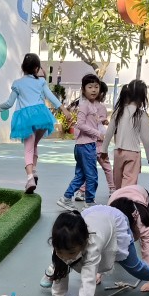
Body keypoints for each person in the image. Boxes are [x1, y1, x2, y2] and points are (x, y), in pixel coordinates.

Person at [45, 207, 149, 296]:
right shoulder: (61, 242)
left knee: (133, 265)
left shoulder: (92, 245)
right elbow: (61, 268)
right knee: (60, 264)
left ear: (84, 243)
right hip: (94, 217)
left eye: (71, 253)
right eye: (60, 252)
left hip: (115, 222)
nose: (66, 257)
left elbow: (88, 282)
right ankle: (53, 270)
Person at [0, 52, 72, 194]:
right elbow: (51, 97)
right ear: (36, 68)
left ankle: (30, 178)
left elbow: (9, 103)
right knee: (34, 145)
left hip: (25, 119)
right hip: (41, 116)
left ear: (23, 67)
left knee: (28, 148)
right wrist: (64, 110)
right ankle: (35, 170)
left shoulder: (17, 83)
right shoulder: (41, 82)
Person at [58, 74, 106, 210]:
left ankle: (66, 198)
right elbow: (80, 124)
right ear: (83, 89)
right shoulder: (85, 105)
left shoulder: (92, 106)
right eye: (90, 87)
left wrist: (101, 123)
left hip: (83, 145)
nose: (94, 90)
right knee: (92, 176)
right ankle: (89, 202)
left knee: (81, 175)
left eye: (96, 87)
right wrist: (97, 134)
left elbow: (90, 123)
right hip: (86, 146)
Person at [100, 79, 149, 190]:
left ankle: (117, 197)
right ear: (142, 97)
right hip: (133, 153)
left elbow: (109, 132)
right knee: (129, 183)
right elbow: (146, 139)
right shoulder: (142, 115)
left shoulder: (118, 112)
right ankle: (125, 198)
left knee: (118, 182)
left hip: (118, 152)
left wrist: (104, 150)